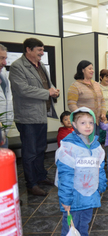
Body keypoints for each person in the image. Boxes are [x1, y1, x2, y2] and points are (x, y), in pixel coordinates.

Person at [9, 38, 59, 196]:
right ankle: (31, 184)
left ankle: (40, 176)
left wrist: (52, 90)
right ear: (28, 50)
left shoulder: (41, 65)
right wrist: (47, 93)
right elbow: (22, 90)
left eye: (42, 50)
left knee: (39, 148)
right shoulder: (18, 66)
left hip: (41, 114)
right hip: (27, 116)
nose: (42, 53)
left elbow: (46, 84)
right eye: (39, 50)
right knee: (30, 151)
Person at [55, 107, 107, 236]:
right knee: (70, 229)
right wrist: (66, 199)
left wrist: (101, 185)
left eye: (90, 122)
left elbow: (99, 167)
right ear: (74, 124)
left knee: (84, 225)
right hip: (73, 197)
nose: (88, 126)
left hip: (89, 195)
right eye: (83, 123)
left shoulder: (96, 145)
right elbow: (65, 175)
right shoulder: (68, 146)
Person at [68, 60, 106, 136]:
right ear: (82, 70)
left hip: (96, 122)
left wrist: (103, 113)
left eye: (92, 68)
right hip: (83, 125)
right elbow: (71, 104)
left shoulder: (96, 84)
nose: (92, 71)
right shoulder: (75, 86)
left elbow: (102, 100)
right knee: (84, 145)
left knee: (94, 144)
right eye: (90, 68)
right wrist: (81, 117)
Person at [0, 44, 13, 148]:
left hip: (4, 129)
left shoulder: (3, 73)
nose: (4, 63)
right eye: (1, 58)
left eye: (5, 58)